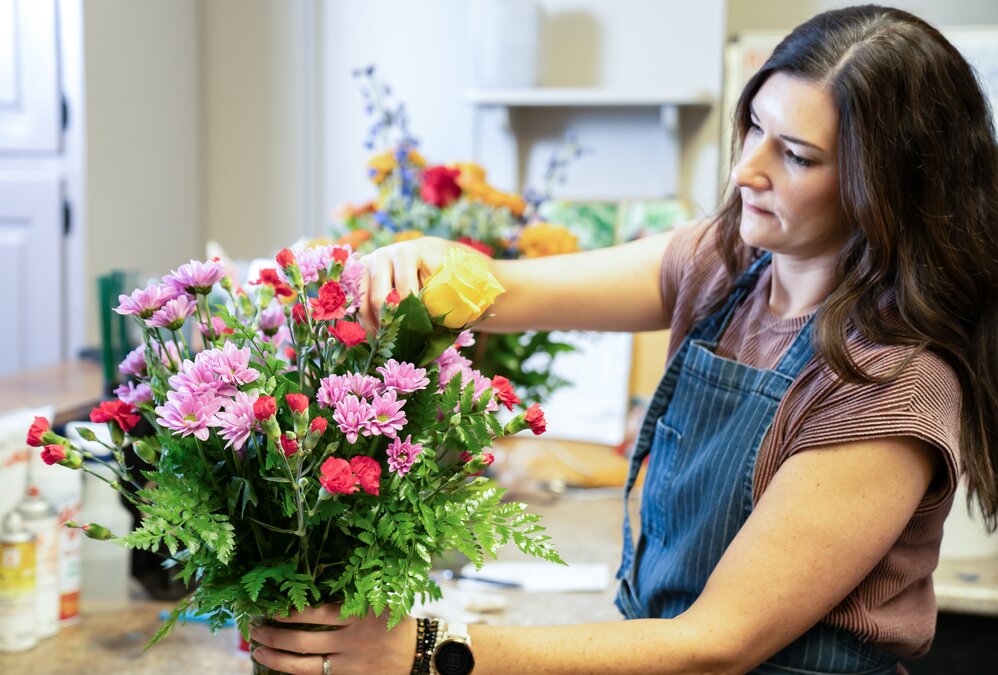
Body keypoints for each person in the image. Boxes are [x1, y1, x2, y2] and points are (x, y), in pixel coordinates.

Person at [249, 5, 998, 674]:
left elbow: (715, 644)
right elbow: (503, 290)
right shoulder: (723, 263)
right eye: (755, 129)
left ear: (885, 188)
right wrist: (414, 260)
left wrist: (425, 648)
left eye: (796, 156)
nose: (745, 170)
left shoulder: (890, 381)